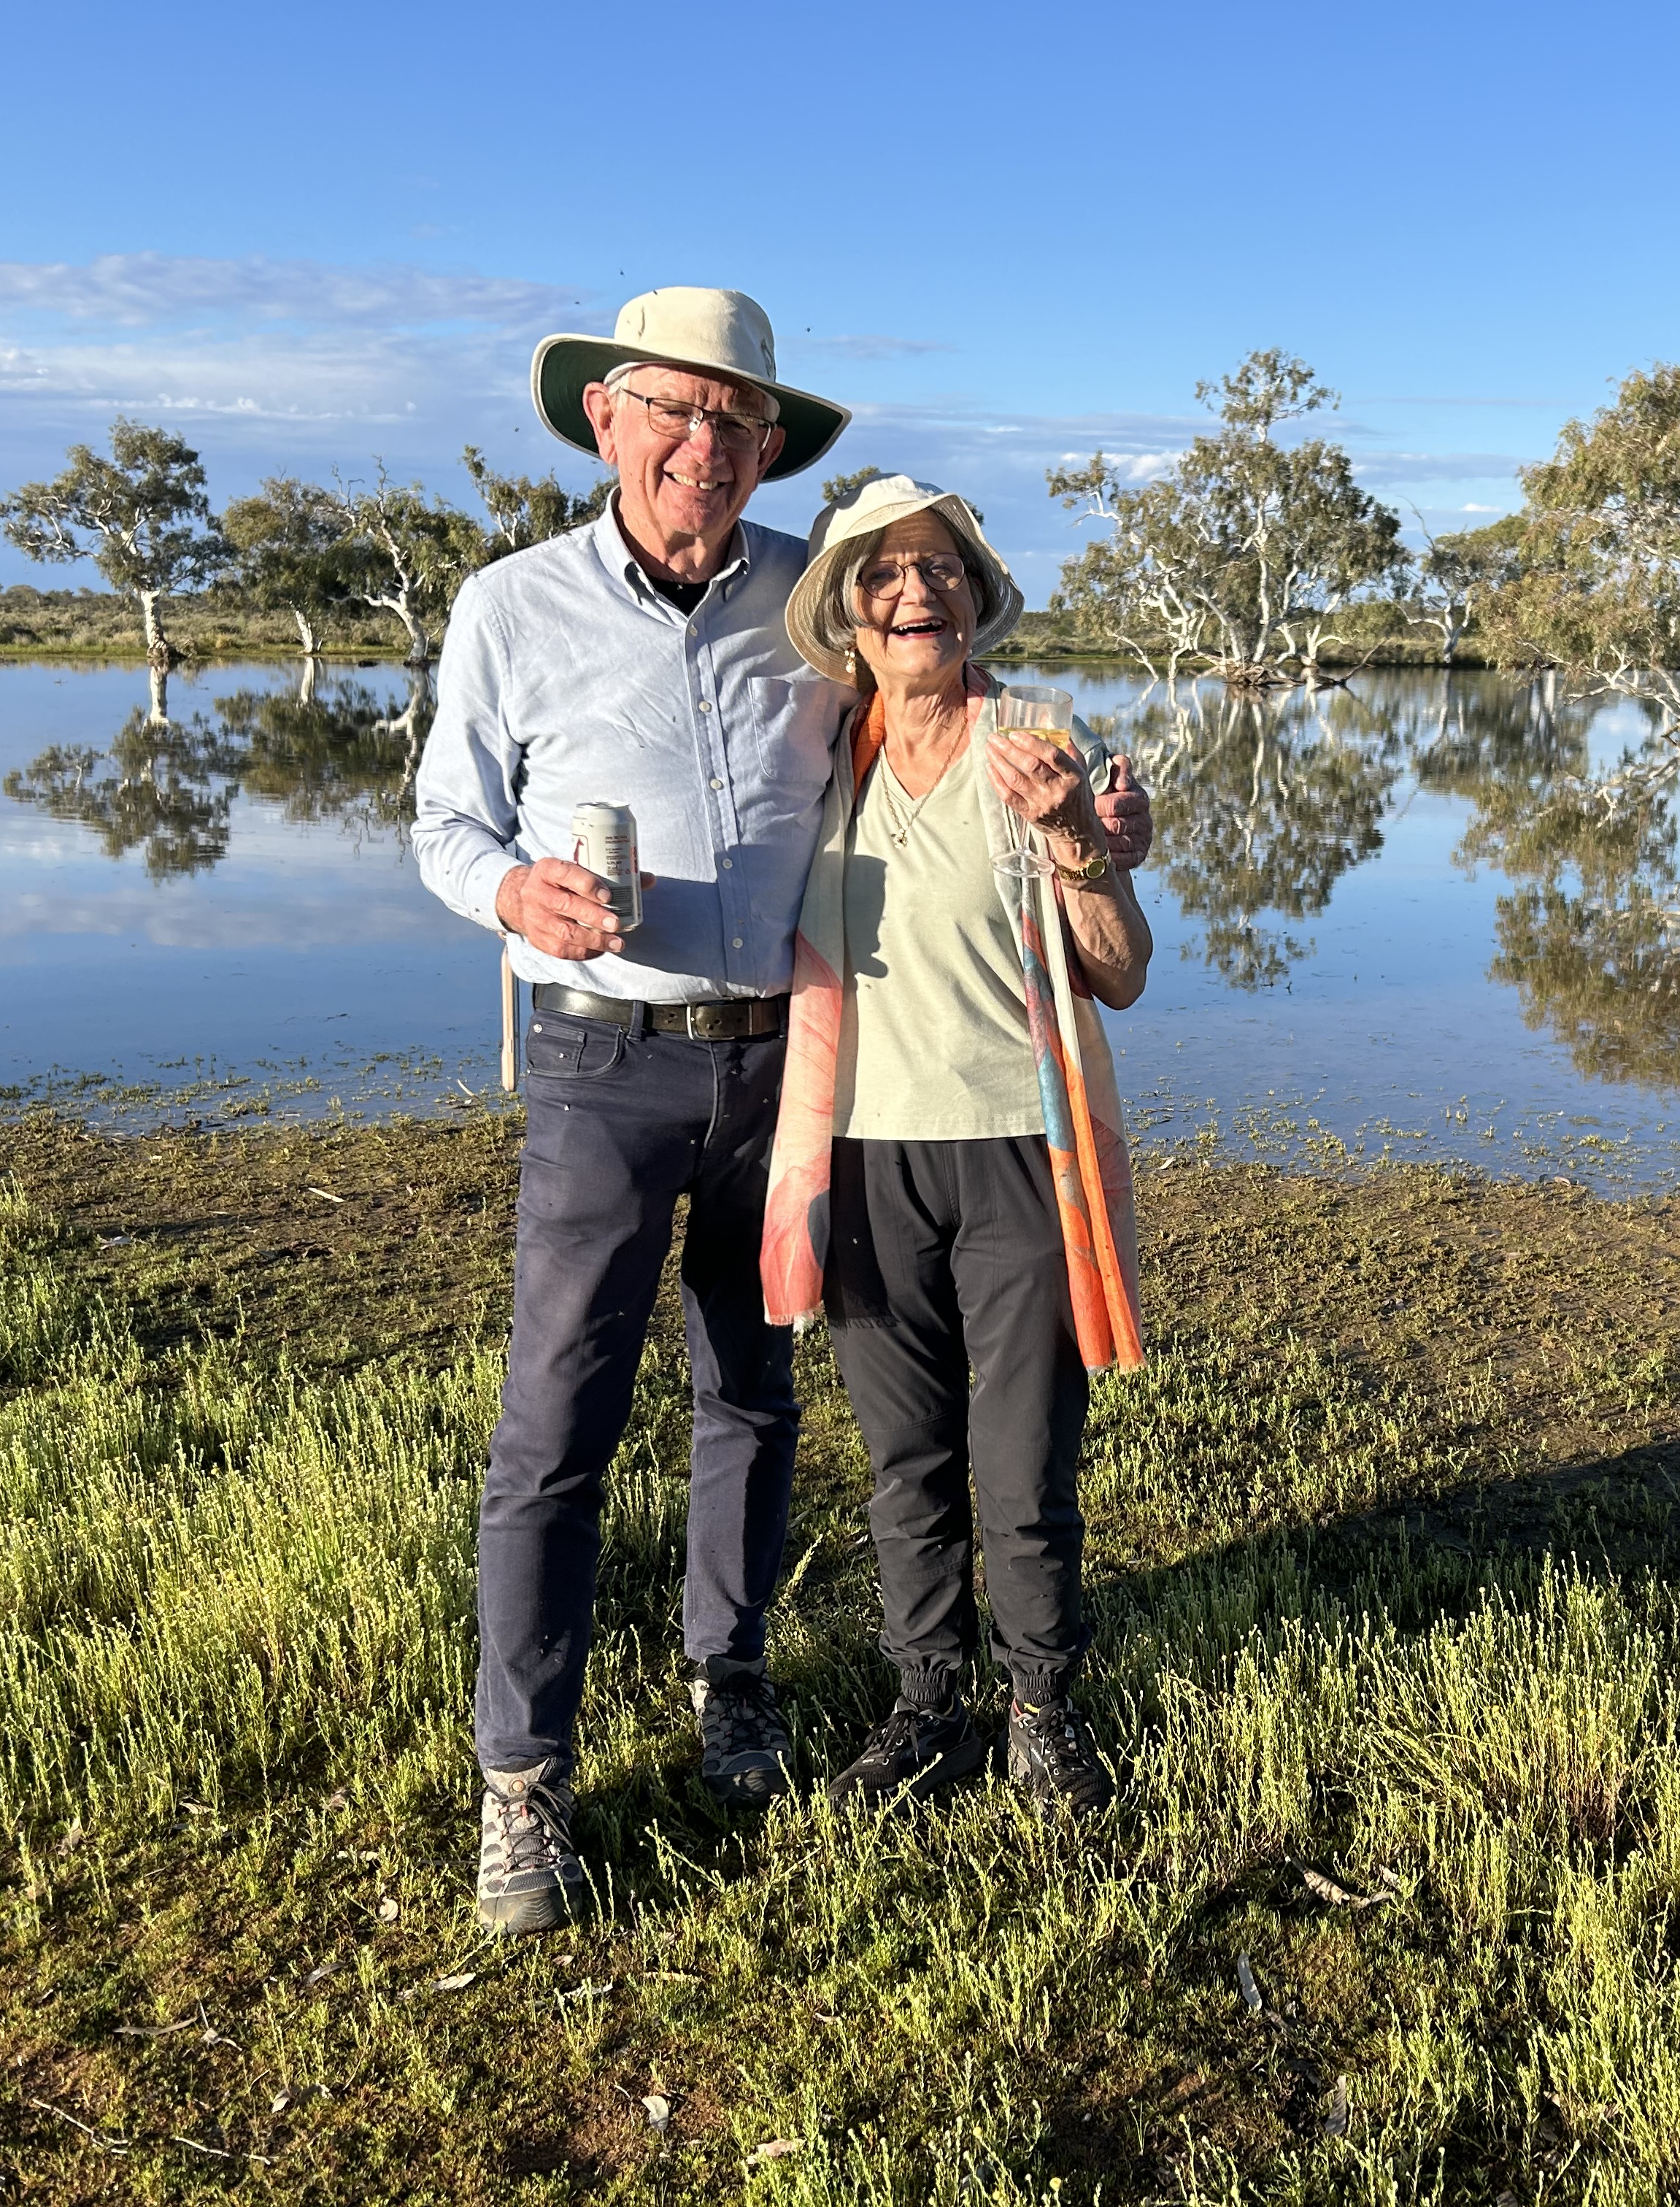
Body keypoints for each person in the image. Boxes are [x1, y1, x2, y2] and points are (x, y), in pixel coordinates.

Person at [415, 289, 1155, 1933]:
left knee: (749, 1393)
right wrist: (511, 894)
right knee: (555, 1427)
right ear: (607, 419)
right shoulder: (510, 608)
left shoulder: (803, 609)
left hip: (787, 1069)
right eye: (673, 413)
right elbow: (445, 823)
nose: (703, 447)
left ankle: (729, 1681)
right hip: (605, 1061)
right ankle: (523, 1786)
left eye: (736, 425)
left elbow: (957, 723)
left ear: (767, 453)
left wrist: (1100, 821)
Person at [760, 474, 1151, 1814]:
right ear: (848, 613)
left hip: (1019, 1155)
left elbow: (1122, 972)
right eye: (883, 573)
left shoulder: (1046, 741)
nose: (914, 590)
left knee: (1026, 1448)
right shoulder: (813, 758)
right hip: (861, 1154)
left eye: (940, 568)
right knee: (903, 1455)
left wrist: (1077, 847)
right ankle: (926, 1703)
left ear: (976, 597)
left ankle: (1042, 1704)